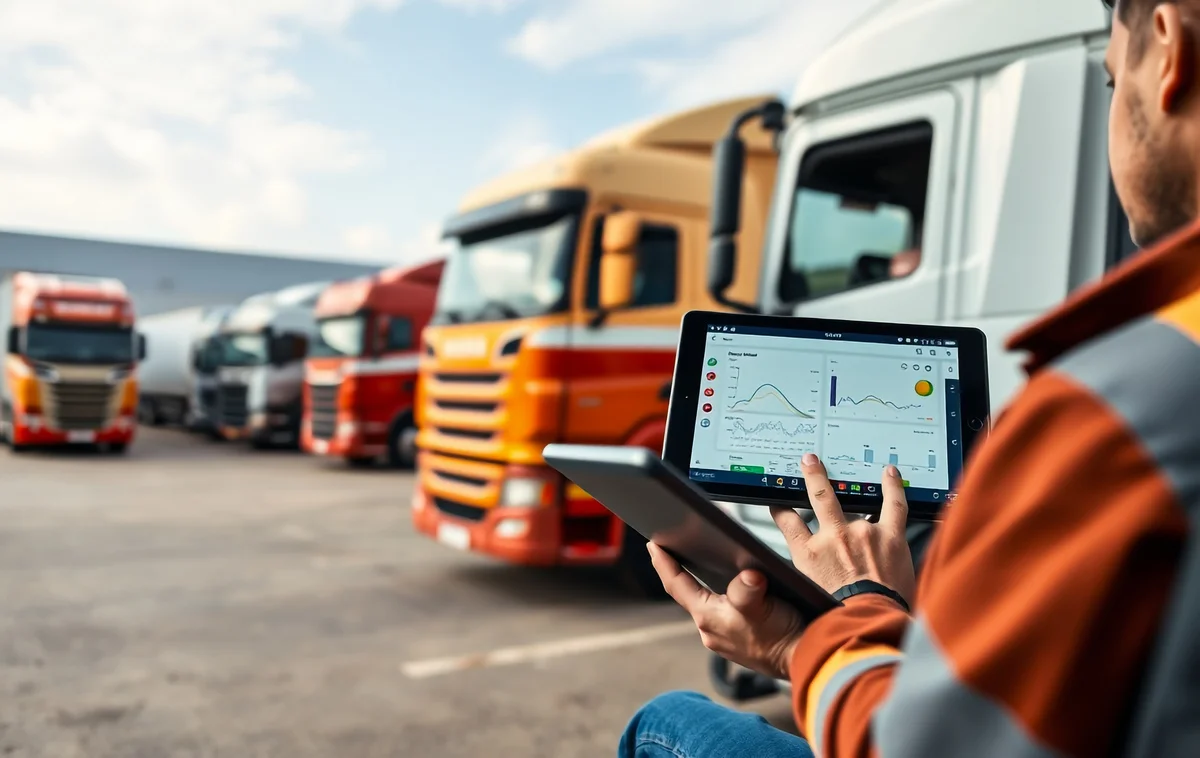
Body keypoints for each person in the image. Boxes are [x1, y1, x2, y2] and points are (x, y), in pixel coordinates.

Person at [619, 2, 1200, 756]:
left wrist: (839, 618)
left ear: (1167, 50)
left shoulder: (1124, 411)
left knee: (664, 723)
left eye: (1112, 81)